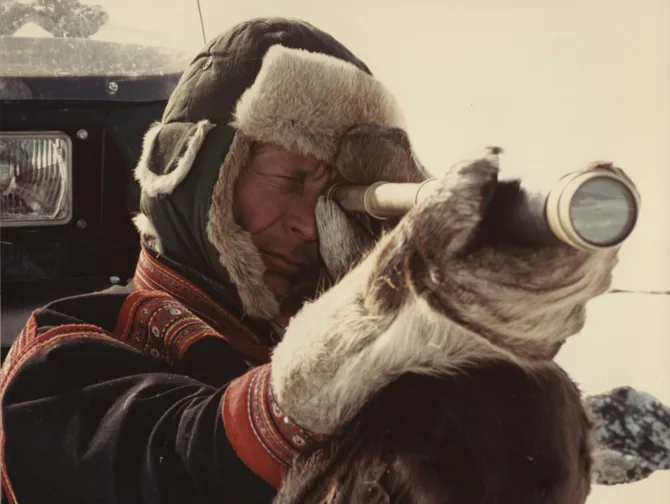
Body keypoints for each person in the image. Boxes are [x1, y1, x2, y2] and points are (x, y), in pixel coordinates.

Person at [0, 17, 623, 504]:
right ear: (197, 177)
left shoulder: (355, 363)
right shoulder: (69, 343)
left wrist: (497, 330)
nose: (305, 222)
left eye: (333, 197)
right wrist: (371, 317)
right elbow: (171, 465)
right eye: (290, 180)